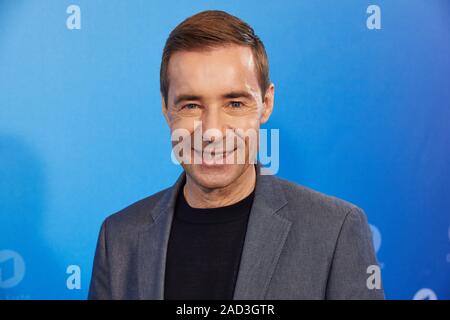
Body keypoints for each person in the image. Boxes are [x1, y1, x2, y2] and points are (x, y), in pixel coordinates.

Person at [88, 10, 384, 300]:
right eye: (191, 105)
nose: (212, 132)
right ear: (166, 110)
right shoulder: (118, 238)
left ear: (266, 104)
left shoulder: (335, 230)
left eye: (235, 104)